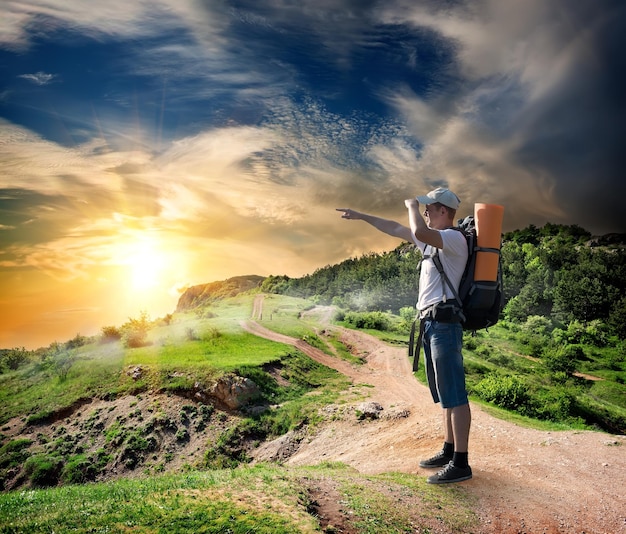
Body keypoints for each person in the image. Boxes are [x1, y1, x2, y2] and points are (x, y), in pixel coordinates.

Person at [337, 187, 472, 484]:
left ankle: (461, 463)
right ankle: (449, 450)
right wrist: (361, 216)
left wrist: (411, 205)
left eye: (429, 207)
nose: (424, 212)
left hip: (444, 323)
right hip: (432, 324)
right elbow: (396, 228)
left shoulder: (452, 238)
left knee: (455, 394)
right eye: (422, 207)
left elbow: (417, 230)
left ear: (444, 211)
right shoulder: (434, 244)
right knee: (445, 394)